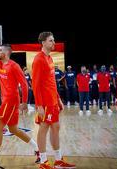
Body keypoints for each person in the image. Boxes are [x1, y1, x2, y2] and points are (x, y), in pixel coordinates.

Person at [0, 33, 39, 167]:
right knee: (14, 129)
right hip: (6, 101)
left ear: (7, 52)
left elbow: (25, 85)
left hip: (11, 101)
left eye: (0, 50)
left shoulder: (14, 66)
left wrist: (25, 102)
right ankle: (37, 149)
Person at [32, 32, 75, 169]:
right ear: (43, 42)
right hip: (44, 102)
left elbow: (52, 82)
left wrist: (58, 99)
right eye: (51, 40)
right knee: (43, 128)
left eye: (54, 40)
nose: (54, 42)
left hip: (53, 101)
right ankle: (43, 162)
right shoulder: (38, 59)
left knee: (56, 127)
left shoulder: (49, 58)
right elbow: (36, 84)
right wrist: (39, 105)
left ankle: (58, 160)